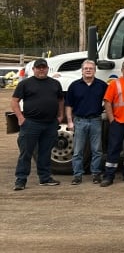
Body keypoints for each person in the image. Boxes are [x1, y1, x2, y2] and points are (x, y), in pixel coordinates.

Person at [10, 58, 64, 191]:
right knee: (26, 153)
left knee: (45, 152)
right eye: (38, 67)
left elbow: (61, 100)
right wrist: (20, 117)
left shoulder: (55, 83)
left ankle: (45, 178)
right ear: (33, 69)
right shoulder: (25, 84)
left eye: (43, 67)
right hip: (31, 124)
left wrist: (60, 116)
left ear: (47, 69)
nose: (41, 70)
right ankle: (21, 180)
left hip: (50, 124)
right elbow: (14, 101)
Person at [65, 60, 108, 185]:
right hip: (79, 121)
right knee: (78, 150)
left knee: (97, 150)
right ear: (82, 70)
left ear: (95, 70)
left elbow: (108, 100)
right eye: (86, 68)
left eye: (91, 68)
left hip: (95, 120)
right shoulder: (74, 86)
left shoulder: (102, 85)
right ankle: (77, 175)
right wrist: (69, 121)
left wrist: (103, 109)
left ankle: (96, 174)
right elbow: (69, 105)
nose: (88, 70)